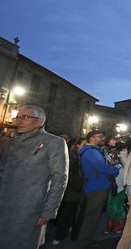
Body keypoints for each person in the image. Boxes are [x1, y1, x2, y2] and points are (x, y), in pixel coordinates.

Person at [0, 105, 69, 249]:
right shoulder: (9, 143)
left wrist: (49, 210)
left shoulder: (54, 142)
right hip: (4, 204)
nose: (20, 121)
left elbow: (60, 178)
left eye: (25, 117)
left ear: (39, 121)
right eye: (18, 117)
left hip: (30, 208)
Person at [73, 130, 119, 249]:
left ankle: (86, 239)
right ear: (92, 138)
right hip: (97, 187)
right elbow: (102, 167)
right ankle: (83, 242)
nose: (102, 139)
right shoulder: (92, 152)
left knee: (91, 216)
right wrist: (115, 170)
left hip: (93, 185)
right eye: (100, 137)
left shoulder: (89, 151)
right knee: (92, 217)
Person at [53, 137, 86, 245]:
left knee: (69, 212)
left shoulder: (75, 156)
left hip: (71, 190)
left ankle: (64, 232)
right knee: (67, 213)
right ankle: (61, 235)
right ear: (75, 145)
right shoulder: (73, 157)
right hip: (72, 190)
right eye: (83, 145)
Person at [101, 136, 126, 234]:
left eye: (115, 140)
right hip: (111, 179)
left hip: (121, 178)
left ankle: (119, 224)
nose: (115, 141)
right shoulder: (104, 150)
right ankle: (111, 224)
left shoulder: (121, 151)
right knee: (111, 203)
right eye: (112, 140)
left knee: (118, 203)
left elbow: (124, 163)